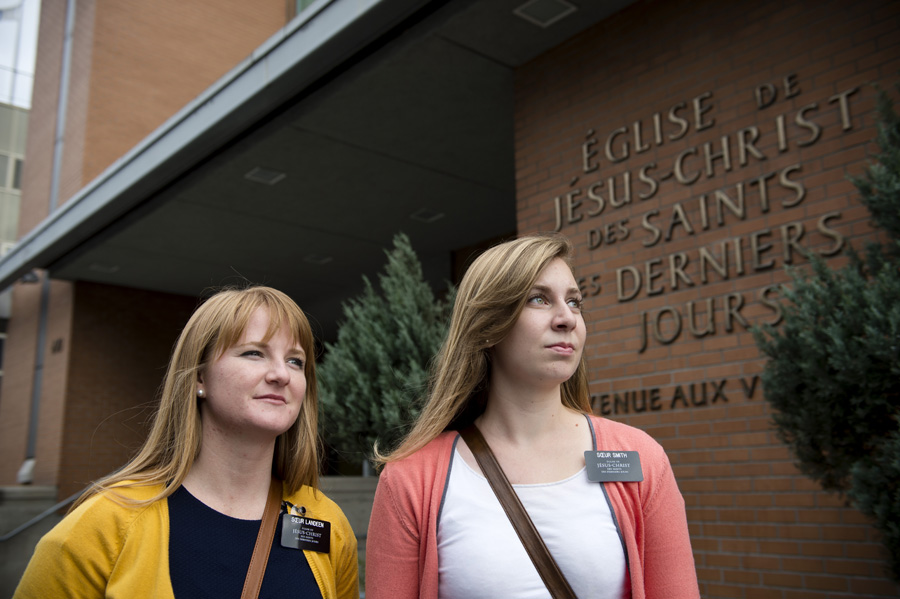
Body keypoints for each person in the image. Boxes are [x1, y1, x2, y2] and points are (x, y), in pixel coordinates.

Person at [366, 234, 700, 599]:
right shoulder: (411, 480)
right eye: (539, 299)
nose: (567, 319)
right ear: (488, 324)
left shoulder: (641, 458)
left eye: (575, 302)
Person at [15, 286, 359, 599]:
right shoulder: (103, 526)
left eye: (295, 361)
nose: (281, 374)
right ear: (199, 377)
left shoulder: (329, 523)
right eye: (254, 353)